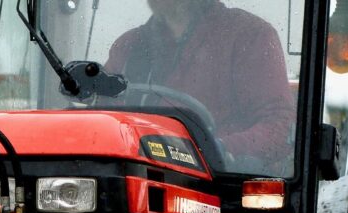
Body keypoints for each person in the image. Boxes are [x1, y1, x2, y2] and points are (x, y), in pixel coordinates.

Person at [105, 0, 296, 173]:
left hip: (222, 188)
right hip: (138, 180)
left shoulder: (249, 36)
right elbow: (104, 121)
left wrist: (216, 149)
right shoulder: (129, 47)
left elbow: (280, 126)